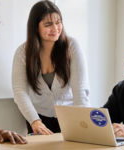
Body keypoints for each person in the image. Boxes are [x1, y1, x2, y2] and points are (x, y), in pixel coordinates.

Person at [12, 0, 90, 135]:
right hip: (38, 118)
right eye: (48, 24)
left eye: (58, 22)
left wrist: (79, 122)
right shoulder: (22, 52)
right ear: (36, 27)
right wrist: (34, 120)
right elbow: (19, 91)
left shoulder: (72, 46)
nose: (55, 29)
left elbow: (80, 90)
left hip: (70, 116)